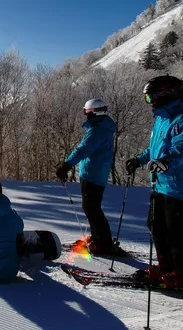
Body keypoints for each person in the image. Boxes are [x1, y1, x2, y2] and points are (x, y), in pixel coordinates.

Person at [125, 75, 183, 291]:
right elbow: (156, 148)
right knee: (158, 229)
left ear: (166, 95)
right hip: (162, 185)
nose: (150, 102)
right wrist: (140, 159)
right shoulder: (163, 118)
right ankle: (167, 269)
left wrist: (166, 162)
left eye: (151, 97)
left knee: (178, 237)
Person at [55, 99, 117, 255]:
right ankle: (99, 238)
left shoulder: (97, 131)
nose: (86, 115)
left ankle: (103, 242)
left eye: (87, 112)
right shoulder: (101, 127)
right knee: (91, 207)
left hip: (93, 174)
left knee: (91, 208)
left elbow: (83, 149)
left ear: (95, 112)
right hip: (96, 172)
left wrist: (67, 165)